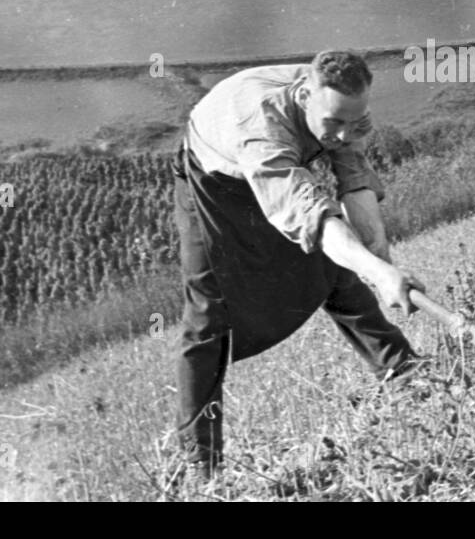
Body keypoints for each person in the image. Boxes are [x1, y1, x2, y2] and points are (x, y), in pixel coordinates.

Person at [171, 49, 426, 483]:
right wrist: (378, 272)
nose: (344, 134)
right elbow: (312, 216)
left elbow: (353, 179)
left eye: (354, 122)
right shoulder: (261, 130)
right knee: (208, 316)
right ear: (305, 95)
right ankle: (199, 461)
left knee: (334, 270)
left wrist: (378, 259)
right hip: (214, 182)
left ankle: (403, 369)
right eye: (334, 123)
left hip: (281, 171)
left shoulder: (344, 109)